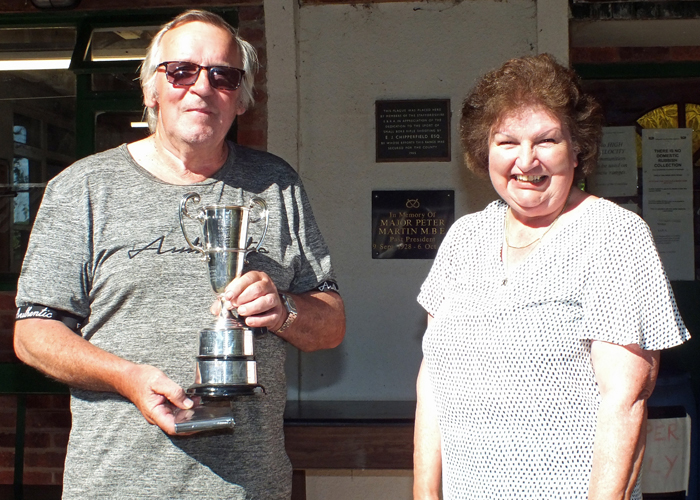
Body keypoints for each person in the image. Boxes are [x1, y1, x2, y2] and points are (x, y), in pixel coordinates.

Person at [14, 10, 345, 500]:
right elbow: (33, 334)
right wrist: (127, 378)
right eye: (181, 70)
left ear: (241, 99)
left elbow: (332, 325)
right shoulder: (83, 188)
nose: (202, 87)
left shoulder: (277, 184)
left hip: (248, 486)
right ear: (151, 89)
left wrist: (284, 311)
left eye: (223, 75)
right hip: (116, 484)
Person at [413, 54, 689, 500]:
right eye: (507, 142)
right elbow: (433, 381)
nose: (527, 160)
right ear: (485, 151)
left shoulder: (614, 236)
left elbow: (626, 401)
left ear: (576, 148)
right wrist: (424, 495)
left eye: (547, 140)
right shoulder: (464, 239)